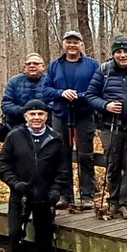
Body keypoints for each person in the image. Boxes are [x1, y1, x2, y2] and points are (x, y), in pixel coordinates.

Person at [0, 98, 72, 252]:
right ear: (25, 116)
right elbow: (4, 165)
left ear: (47, 116)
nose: (37, 117)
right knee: (14, 233)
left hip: (44, 196)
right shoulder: (14, 136)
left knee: (43, 235)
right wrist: (15, 184)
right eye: (32, 114)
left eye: (40, 114)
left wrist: (56, 190)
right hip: (20, 195)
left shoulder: (55, 138)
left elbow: (62, 169)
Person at [85, 36, 127, 219]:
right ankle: (113, 201)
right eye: (118, 52)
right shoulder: (104, 70)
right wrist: (105, 105)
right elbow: (90, 95)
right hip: (109, 127)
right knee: (112, 164)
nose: (123, 55)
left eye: (126, 52)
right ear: (113, 54)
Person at [39, 30, 101, 209]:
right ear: (64, 44)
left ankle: (87, 195)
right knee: (61, 156)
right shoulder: (54, 65)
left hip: (84, 114)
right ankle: (65, 195)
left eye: (75, 42)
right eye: (69, 42)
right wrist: (61, 93)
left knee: (85, 156)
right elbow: (46, 90)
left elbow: (97, 89)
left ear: (81, 44)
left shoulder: (92, 65)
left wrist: (80, 95)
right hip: (60, 115)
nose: (72, 45)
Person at [0, 54, 46, 140]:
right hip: (17, 123)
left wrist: (40, 113)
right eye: (29, 64)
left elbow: (55, 102)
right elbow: (6, 104)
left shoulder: (50, 81)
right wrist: (24, 112)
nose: (32, 66)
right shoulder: (14, 81)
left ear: (43, 66)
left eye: (36, 63)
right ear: (25, 68)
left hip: (45, 124)